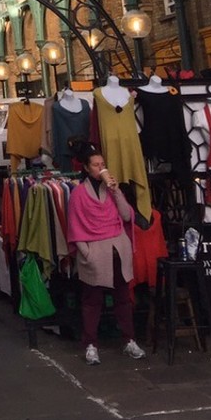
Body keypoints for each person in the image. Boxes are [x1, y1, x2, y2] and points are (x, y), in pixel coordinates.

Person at [67, 142, 146, 366]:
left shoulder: (111, 190)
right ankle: (91, 345)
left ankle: (129, 340)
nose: (100, 167)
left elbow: (127, 216)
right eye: (96, 164)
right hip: (95, 252)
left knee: (123, 298)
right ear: (86, 168)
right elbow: (75, 227)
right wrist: (87, 253)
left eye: (103, 164)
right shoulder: (78, 194)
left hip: (117, 249)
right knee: (92, 301)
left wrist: (116, 190)